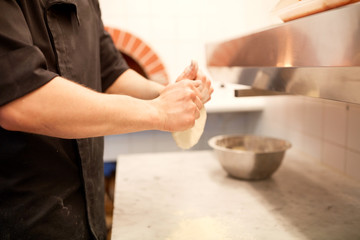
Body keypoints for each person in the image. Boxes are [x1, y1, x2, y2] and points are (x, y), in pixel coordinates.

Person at [0, 0, 213, 239]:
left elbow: (111, 73)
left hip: (88, 212)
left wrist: (168, 94)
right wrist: (159, 112)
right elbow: (21, 101)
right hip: (23, 218)